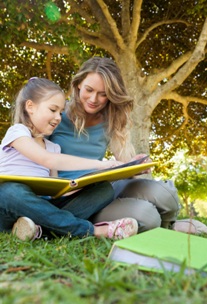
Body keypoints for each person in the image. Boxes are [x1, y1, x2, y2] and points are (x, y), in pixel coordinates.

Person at [49, 56, 180, 233]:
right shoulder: (56, 114)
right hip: (75, 198)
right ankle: (97, 223)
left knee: (165, 194)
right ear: (78, 84)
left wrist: (136, 166)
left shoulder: (111, 119)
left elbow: (123, 163)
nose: (94, 99)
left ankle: (171, 225)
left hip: (102, 185)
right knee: (147, 216)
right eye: (89, 90)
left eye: (103, 94)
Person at [0, 77, 138, 241]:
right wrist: (101, 165)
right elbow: (47, 160)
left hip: (40, 208)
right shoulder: (18, 133)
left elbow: (54, 191)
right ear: (30, 106)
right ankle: (94, 230)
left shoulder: (53, 147)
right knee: (10, 191)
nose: (58, 117)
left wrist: (78, 186)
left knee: (104, 190)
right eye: (53, 110)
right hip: (9, 206)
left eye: (60, 112)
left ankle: (36, 230)